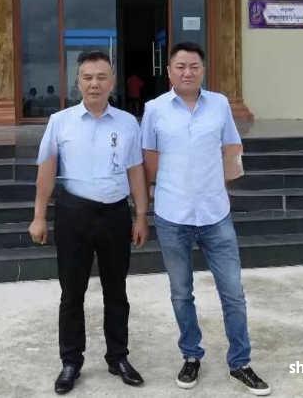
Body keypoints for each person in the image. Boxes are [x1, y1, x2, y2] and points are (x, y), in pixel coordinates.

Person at [141, 41, 270, 395]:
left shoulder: (220, 105)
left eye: (194, 66)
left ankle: (240, 362)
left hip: (215, 215)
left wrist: (219, 186)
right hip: (172, 215)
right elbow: (149, 157)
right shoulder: (154, 109)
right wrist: (150, 196)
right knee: (181, 293)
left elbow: (231, 148)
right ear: (169, 71)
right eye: (180, 66)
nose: (187, 72)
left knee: (233, 293)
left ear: (203, 70)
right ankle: (191, 355)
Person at [29, 50, 149, 395]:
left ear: (112, 82)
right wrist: (39, 216)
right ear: (78, 81)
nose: (94, 83)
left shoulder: (127, 123)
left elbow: (136, 171)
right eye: (87, 77)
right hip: (74, 215)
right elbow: (46, 171)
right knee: (72, 293)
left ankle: (118, 357)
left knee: (117, 291)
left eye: (101, 77)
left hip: (115, 215)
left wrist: (141, 215)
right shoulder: (60, 122)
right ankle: (71, 361)